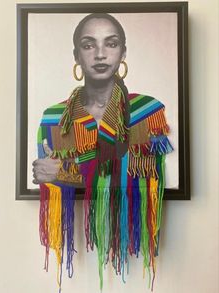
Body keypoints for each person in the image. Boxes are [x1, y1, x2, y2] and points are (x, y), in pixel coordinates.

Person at [33, 13, 173, 291]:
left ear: (123, 52)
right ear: (76, 55)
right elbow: (49, 181)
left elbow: (146, 177)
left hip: (134, 251)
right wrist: (54, 175)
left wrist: (64, 174)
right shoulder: (54, 117)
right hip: (78, 255)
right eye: (88, 45)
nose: (100, 54)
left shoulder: (148, 112)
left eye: (110, 44)